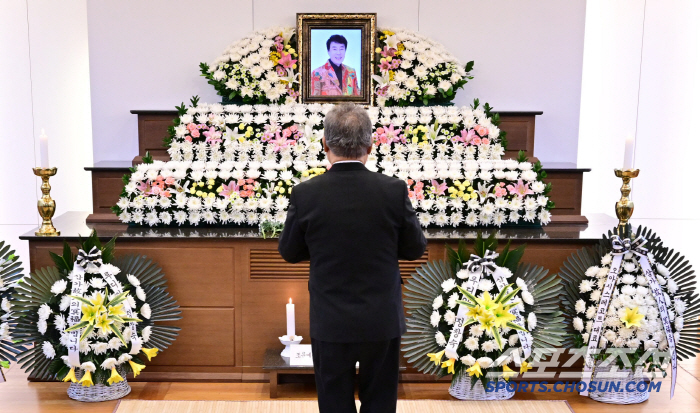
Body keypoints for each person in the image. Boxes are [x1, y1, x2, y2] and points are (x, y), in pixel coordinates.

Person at [278, 104, 427, 413]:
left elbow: (289, 252)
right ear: (370, 146)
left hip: (330, 319)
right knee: (380, 402)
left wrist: (318, 248)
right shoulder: (393, 190)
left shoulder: (306, 193)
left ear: (325, 144)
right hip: (381, 318)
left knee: (333, 404)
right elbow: (414, 249)